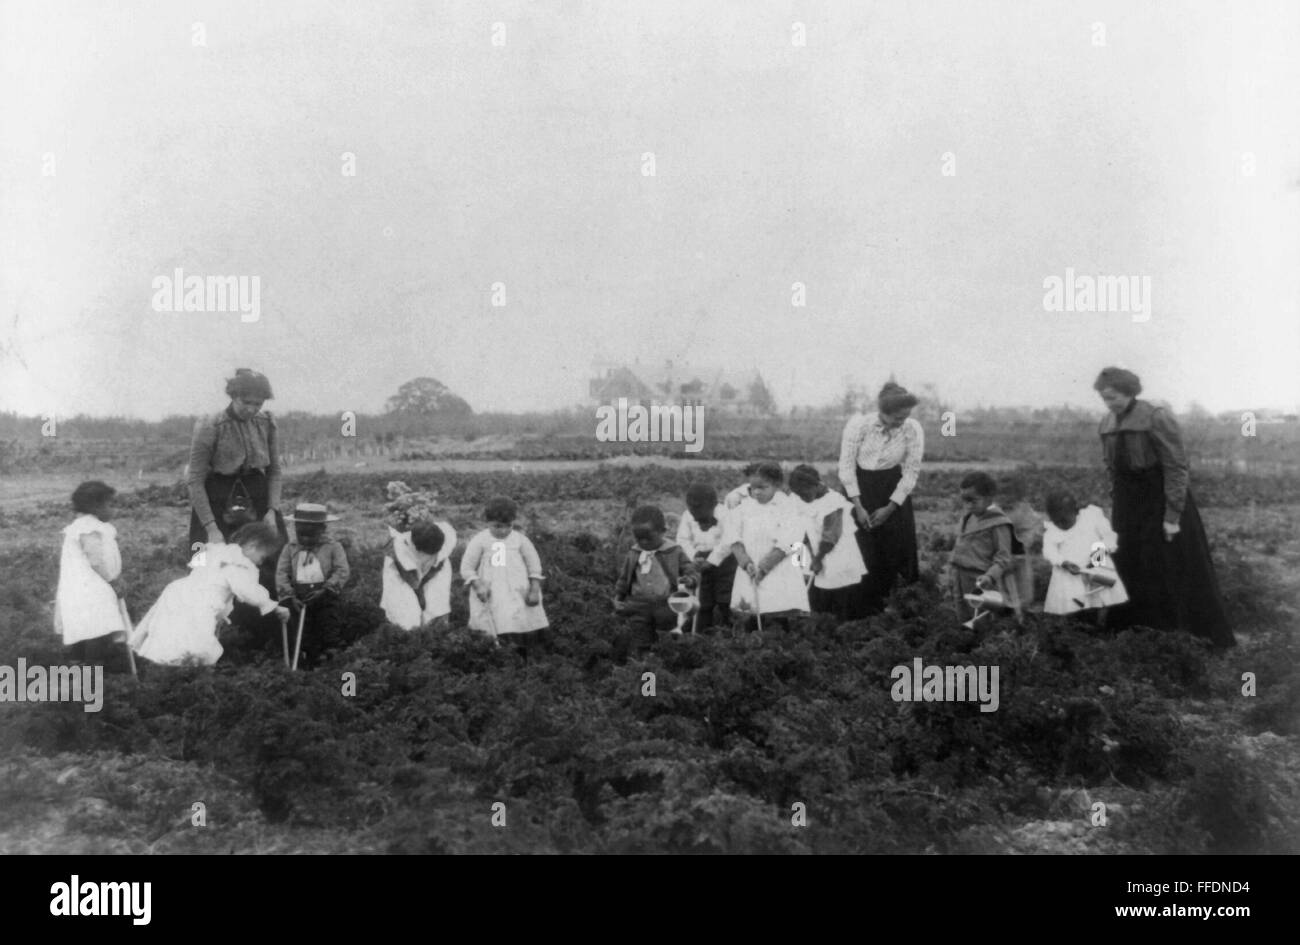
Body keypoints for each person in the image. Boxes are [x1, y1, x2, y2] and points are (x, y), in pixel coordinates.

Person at [1094, 367, 1235, 647]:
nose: (1111, 404)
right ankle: (1135, 634)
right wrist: (1116, 502)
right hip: (1127, 503)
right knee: (1130, 562)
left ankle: (1181, 636)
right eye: (1105, 399)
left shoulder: (1156, 416)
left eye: (1115, 398)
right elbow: (1111, 468)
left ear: (1129, 391)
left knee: (1168, 564)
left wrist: (1172, 515)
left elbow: (1176, 466)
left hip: (1159, 497)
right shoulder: (1106, 423)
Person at [187, 368, 287, 640]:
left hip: (258, 498)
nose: (252, 409)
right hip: (219, 500)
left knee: (268, 563)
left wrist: (272, 510)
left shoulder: (267, 423)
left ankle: (265, 636)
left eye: (258, 403)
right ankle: (218, 640)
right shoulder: (210, 424)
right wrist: (210, 527)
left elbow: (275, 471)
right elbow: (195, 480)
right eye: (246, 402)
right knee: (217, 566)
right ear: (233, 396)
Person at [130, 523, 289, 666]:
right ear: (252, 546)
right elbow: (250, 592)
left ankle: (166, 670)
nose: (261, 563)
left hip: (177, 593)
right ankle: (189, 676)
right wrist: (273, 606)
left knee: (171, 635)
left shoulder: (216, 550)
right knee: (197, 645)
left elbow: (200, 570)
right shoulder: (239, 564)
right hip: (200, 604)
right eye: (262, 557)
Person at [839, 381, 924, 613]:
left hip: (892, 491)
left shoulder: (912, 429)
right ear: (882, 413)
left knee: (893, 550)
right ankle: (857, 611)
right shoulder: (858, 425)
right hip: (858, 488)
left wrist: (889, 508)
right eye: (897, 418)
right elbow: (846, 468)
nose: (901, 422)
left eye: (905, 417)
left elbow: (911, 471)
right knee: (859, 549)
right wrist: (858, 506)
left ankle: (890, 607)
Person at [726, 462, 810, 629]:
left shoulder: (787, 507)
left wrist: (764, 567)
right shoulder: (744, 507)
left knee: (777, 611)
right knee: (752, 611)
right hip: (750, 567)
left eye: (762, 487)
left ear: (776, 485)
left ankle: (779, 645)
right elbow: (733, 536)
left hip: (778, 567)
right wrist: (745, 562)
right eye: (753, 487)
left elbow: (789, 541)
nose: (756, 492)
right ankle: (753, 645)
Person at [460, 496, 549, 650]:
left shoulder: (520, 540)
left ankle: (524, 657)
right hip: (491, 591)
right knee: (496, 622)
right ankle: (497, 655)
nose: (503, 531)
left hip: (518, 591)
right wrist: (478, 585)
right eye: (497, 526)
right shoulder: (480, 540)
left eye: (508, 526)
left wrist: (534, 590)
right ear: (487, 522)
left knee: (521, 621)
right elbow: (466, 567)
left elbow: (534, 566)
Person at [55, 481, 128, 664]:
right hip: (92, 589)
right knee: (97, 627)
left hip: (77, 589)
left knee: (83, 627)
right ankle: (92, 667)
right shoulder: (89, 528)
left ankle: (77, 662)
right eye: (110, 504)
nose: (113, 509)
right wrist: (113, 580)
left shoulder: (81, 526)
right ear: (95, 506)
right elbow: (97, 561)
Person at [613, 505, 698, 658]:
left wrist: (690, 580)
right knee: (641, 637)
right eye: (639, 538)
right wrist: (619, 596)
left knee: (666, 636)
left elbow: (689, 568)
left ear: (662, 531)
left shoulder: (673, 551)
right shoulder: (634, 553)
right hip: (638, 604)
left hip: (665, 603)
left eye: (648, 538)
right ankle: (647, 671)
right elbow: (624, 577)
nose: (644, 542)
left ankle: (666, 664)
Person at [275, 503, 351, 666]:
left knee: (329, 628)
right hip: (299, 599)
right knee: (302, 634)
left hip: (325, 596)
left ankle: (332, 662)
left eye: (311, 535)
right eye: (301, 535)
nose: (306, 539)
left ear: (322, 529)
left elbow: (342, 570)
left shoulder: (333, 547)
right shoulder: (290, 548)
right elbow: (281, 573)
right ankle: (306, 664)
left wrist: (326, 590)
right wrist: (289, 595)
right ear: (295, 529)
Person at [788, 464, 867, 621]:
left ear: (816, 485)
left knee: (836, 587)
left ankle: (839, 625)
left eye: (804, 493)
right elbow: (800, 527)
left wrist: (818, 559)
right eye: (798, 494)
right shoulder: (799, 499)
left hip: (835, 552)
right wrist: (807, 554)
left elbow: (830, 537)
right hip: (813, 548)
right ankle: (813, 622)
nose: (802, 497)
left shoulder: (833, 503)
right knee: (811, 586)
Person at [949, 472, 1022, 625]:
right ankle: (964, 644)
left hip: (980, 580)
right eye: (965, 500)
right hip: (959, 576)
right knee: (961, 616)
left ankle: (983, 647)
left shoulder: (998, 523)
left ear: (989, 497)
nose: (968, 505)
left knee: (981, 618)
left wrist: (990, 576)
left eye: (973, 501)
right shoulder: (968, 518)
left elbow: (1003, 558)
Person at [1042, 491, 1128, 619]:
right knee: (1070, 597)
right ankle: (1076, 621)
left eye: (1064, 520)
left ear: (1075, 512)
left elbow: (1109, 537)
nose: (1060, 524)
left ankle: (1101, 622)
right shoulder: (1052, 531)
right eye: (1057, 521)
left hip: (1096, 562)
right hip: (1071, 569)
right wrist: (1064, 562)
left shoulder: (1091, 517)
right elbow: (1049, 551)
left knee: (1105, 591)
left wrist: (1097, 558)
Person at [675, 483, 736, 629]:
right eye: (692, 511)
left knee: (725, 595)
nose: (696, 518)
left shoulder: (725, 514)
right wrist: (694, 556)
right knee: (703, 595)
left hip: (724, 560)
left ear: (714, 505)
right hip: (699, 560)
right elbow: (682, 539)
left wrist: (712, 560)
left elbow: (728, 541)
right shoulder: (687, 515)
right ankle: (704, 625)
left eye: (700, 514)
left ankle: (728, 624)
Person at [381, 519, 457, 631]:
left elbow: (438, 565)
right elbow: (412, 581)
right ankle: (409, 638)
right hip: (401, 576)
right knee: (407, 618)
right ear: (418, 548)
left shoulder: (446, 534)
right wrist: (419, 596)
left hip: (436, 571)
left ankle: (435, 637)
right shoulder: (400, 550)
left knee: (437, 609)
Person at [1000, 475, 1044, 610]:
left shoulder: (1023, 509)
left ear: (1017, 494)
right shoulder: (992, 511)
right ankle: (1002, 608)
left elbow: (1032, 527)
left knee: (1023, 587)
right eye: (1001, 493)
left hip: (1018, 553)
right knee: (999, 585)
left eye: (1009, 492)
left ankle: (1022, 608)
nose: (1005, 496)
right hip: (998, 554)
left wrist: (1023, 544)